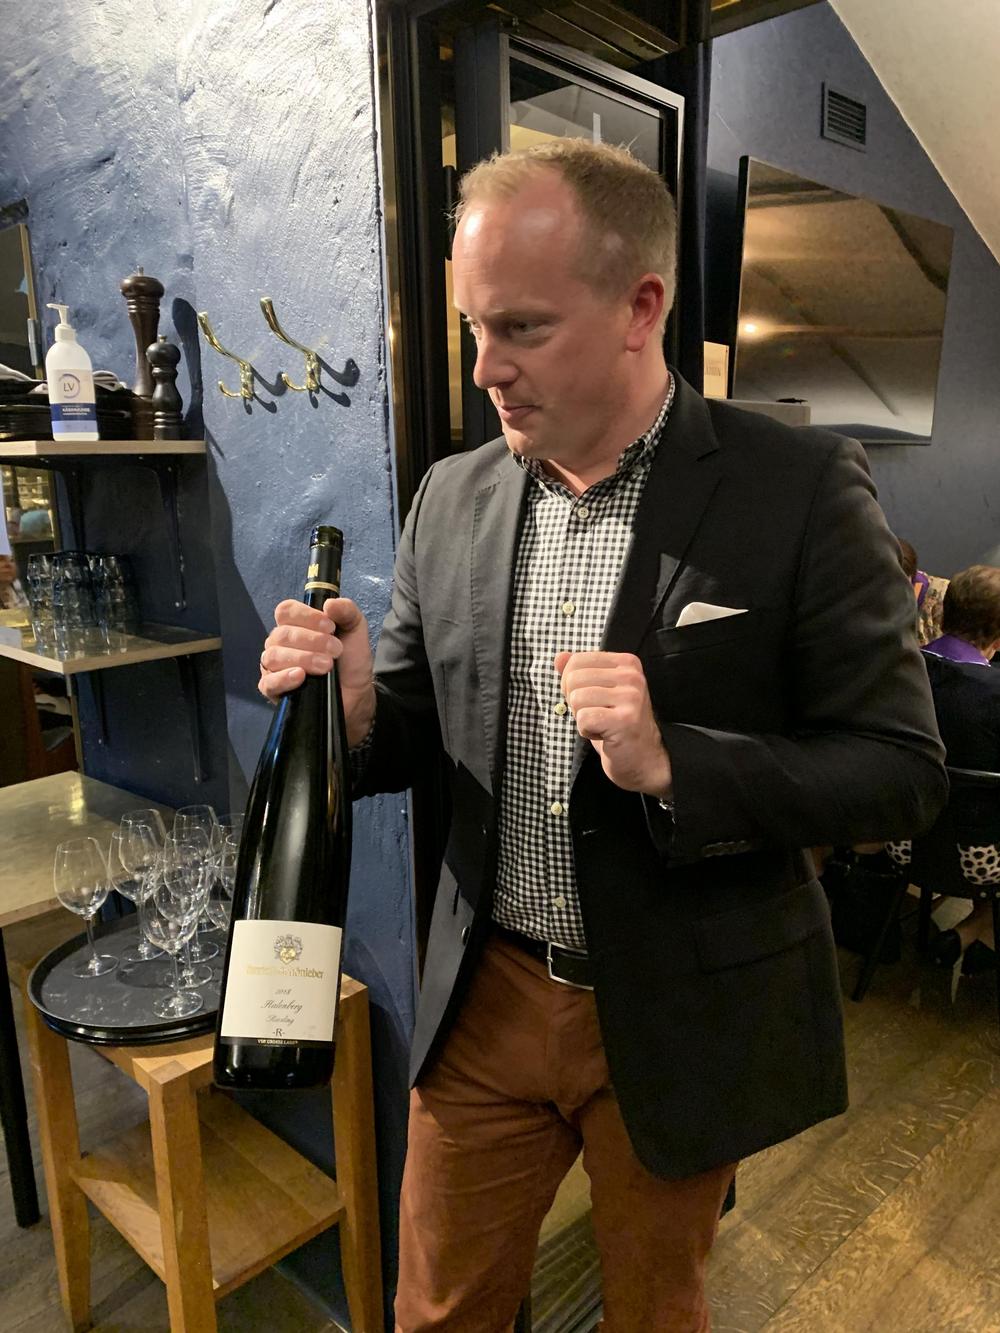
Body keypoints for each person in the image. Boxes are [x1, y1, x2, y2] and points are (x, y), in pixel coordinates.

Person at [259, 140, 946, 1331]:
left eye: (521, 328)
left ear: (640, 307)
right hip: (485, 993)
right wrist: (360, 711)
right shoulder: (451, 496)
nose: (486, 368)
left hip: (676, 1007)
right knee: (437, 1310)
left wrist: (680, 763)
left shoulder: (798, 489)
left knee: (653, 1310)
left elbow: (900, 772)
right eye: (474, 328)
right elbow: (416, 734)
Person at [922, 565, 1000, 971]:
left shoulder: (903, 668)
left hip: (904, 838)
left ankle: (974, 930)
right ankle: (978, 932)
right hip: (976, 858)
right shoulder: (991, 694)